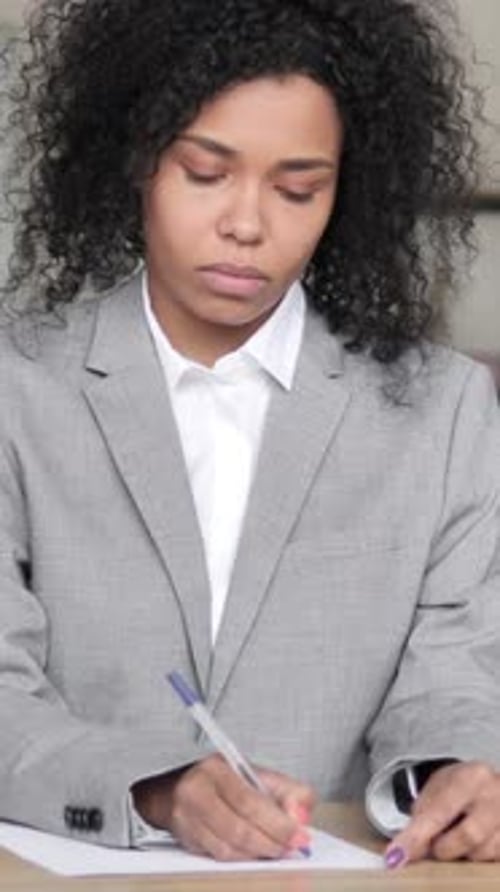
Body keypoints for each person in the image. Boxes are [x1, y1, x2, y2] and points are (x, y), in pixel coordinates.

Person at [0, 0, 500, 869]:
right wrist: (156, 787)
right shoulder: (18, 390)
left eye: (299, 188)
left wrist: (454, 771)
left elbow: (454, 666)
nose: (248, 224)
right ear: (136, 162)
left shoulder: (442, 410)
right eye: (205, 173)